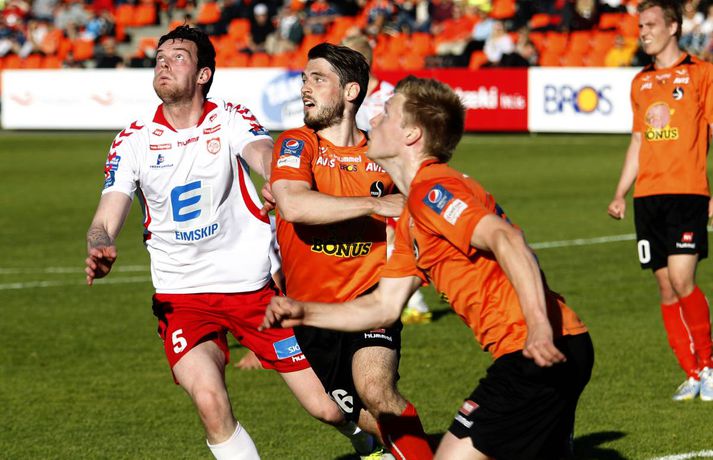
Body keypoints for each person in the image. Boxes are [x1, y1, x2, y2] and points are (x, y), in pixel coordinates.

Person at [263, 76, 594, 460]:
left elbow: (508, 240)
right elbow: (383, 307)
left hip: (535, 348)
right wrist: (304, 312)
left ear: (411, 135)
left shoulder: (433, 191)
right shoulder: (411, 214)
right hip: (554, 344)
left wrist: (538, 326)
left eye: (387, 113)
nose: (375, 119)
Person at [84, 25, 377, 459]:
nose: (164, 63)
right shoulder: (132, 140)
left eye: (178, 57)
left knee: (327, 407)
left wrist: (278, 180)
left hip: (253, 291)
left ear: (203, 74)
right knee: (209, 401)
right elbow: (107, 213)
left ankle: (368, 443)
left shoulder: (230, 117)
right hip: (182, 296)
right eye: (160, 57)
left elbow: (262, 152)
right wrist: (100, 242)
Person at [269, 43, 433, 459]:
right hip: (311, 313)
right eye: (304, 79)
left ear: (350, 91)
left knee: (376, 390)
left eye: (317, 79)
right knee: (353, 414)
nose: (305, 88)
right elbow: (294, 205)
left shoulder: (382, 152)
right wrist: (375, 204)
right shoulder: (297, 144)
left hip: (369, 300)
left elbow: (422, 206)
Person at [608, 0, 713, 402]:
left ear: (673, 27)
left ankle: (709, 365)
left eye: (651, 24)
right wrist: (620, 192)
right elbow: (638, 140)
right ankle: (691, 372)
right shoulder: (640, 83)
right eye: (640, 26)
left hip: (687, 192)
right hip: (647, 197)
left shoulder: (701, 73)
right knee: (667, 288)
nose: (643, 32)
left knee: (684, 280)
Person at [342, 33, 433, 325]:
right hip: (359, 173)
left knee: (392, 233)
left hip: (390, 174)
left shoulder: (388, 97)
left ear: (361, 62)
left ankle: (413, 302)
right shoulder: (350, 95)